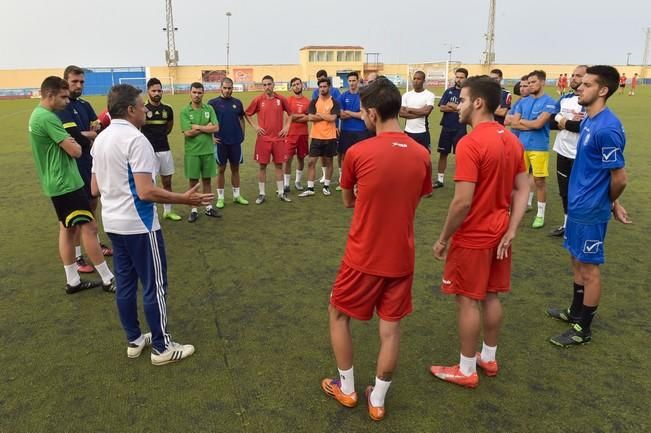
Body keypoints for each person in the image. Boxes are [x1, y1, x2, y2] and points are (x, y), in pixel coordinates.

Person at [321, 77, 432, 421]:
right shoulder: (422, 154)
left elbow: (347, 201)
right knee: (391, 329)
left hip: (364, 255)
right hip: (401, 256)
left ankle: (349, 389)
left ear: (370, 113)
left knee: (338, 314)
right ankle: (378, 400)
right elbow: (418, 196)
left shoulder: (358, 152)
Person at [92, 84, 214, 365]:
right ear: (131, 109)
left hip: (113, 223)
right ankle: (162, 347)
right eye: (141, 105)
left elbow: (95, 187)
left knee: (125, 284)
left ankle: (134, 340)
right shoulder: (137, 140)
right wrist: (183, 199)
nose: (146, 109)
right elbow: (146, 191)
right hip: (140, 225)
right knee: (154, 285)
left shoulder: (101, 139)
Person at [429, 75, 528, 388]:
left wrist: (443, 238)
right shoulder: (511, 138)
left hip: (474, 235)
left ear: (478, 103)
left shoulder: (470, 142)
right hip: (500, 232)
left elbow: (462, 202)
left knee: (467, 300)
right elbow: (523, 186)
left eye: (463, 98)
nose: (458, 105)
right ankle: (489, 356)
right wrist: (512, 228)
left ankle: (467, 368)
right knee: (490, 295)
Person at [547, 66, 631, 347]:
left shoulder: (607, 128)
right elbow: (600, 171)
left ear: (603, 90)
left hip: (590, 208)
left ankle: (583, 328)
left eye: (586, 85)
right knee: (576, 259)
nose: (578, 88)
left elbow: (619, 177)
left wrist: (609, 202)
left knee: (589, 268)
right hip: (577, 205)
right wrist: (614, 201)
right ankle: (575, 311)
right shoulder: (589, 121)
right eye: (579, 83)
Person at [29, 76, 115, 294]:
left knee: (67, 230)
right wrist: (76, 141)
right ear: (50, 95)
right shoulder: (47, 118)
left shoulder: (39, 115)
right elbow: (76, 151)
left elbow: (74, 141)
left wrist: (74, 138)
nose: (67, 101)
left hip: (57, 182)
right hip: (65, 182)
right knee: (90, 227)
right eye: (63, 96)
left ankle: (73, 281)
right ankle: (108, 278)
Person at [57, 65, 112, 274]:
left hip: (89, 163)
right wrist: (89, 133)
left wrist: (89, 132)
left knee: (92, 204)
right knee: (75, 216)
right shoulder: (61, 106)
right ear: (65, 82)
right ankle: (78, 256)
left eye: (81, 82)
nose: (79, 85)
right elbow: (77, 135)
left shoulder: (84, 104)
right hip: (72, 166)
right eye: (74, 82)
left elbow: (96, 126)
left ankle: (95, 244)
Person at [510, 70, 557, 228]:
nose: (530, 85)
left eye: (533, 82)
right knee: (518, 180)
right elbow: (513, 123)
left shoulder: (550, 102)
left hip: (539, 148)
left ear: (542, 82)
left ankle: (540, 214)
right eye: (528, 83)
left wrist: (523, 122)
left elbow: (539, 124)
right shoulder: (523, 102)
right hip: (521, 146)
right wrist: (529, 123)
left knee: (539, 181)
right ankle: (515, 209)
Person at [548, 65, 588, 237]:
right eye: (573, 75)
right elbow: (550, 123)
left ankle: (580, 227)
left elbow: (581, 127)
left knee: (581, 193)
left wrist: (562, 120)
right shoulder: (565, 98)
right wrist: (565, 120)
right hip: (562, 151)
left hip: (582, 155)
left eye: (578, 76)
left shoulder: (588, 101)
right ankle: (566, 225)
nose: (574, 78)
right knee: (564, 191)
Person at [245, 75, 292, 204]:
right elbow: (247, 113)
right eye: (264, 85)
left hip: (278, 139)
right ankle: (261, 194)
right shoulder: (258, 100)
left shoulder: (281, 99)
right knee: (262, 166)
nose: (267, 87)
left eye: (269, 84)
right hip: (263, 140)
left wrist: (287, 127)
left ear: (273, 84)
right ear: (262, 86)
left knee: (278, 165)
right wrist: (255, 126)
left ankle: (281, 193)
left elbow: (291, 113)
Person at [141, 77, 181, 221]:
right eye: (154, 91)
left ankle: (168, 211)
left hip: (164, 149)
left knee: (167, 181)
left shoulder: (167, 109)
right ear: (148, 92)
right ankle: (150, 214)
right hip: (148, 152)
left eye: (159, 90)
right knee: (149, 184)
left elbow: (168, 128)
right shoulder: (143, 109)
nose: (157, 93)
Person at [180, 82, 221, 222]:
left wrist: (197, 127)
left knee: (207, 180)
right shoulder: (185, 111)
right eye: (194, 92)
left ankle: (209, 207)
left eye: (199, 92)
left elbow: (216, 128)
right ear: (190, 93)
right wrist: (205, 127)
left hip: (208, 151)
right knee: (193, 182)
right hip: (192, 152)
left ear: (203, 93)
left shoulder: (209, 109)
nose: (197, 95)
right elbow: (188, 133)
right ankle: (194, 209)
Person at [207, 77, 249, 208]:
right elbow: (207, 122)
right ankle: (220, 198)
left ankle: (237, 196)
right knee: (221, 169)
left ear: (232, 88)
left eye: (229, 88)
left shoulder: (237, 102)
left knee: (235, 169)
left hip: (235, 141)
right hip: (220, 141)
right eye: (225, 88)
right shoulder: (212, 103)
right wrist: (211, 137)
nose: (227, 90)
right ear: (220, 88)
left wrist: (242, 134)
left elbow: (241, 119)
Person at [298, 77, 340, 197]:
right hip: (316, 136)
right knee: (311, 162)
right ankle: (310, 188)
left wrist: (320, 115)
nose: (322, 89)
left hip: (330, 136)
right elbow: (310, 117)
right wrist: (326, 116)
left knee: (329, 162)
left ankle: (326, 186)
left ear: (329, 87)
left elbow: (333, 118)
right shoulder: (314, 102)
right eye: (320, 87)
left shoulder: (335, 102)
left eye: (325, 86)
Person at [433, 68, 468, 189]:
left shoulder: (468, 93)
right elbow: (442, 107)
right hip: (447, 127)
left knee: (461, 155)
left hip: (460, 128)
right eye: (457, 77)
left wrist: (452, 105)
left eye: (461, 77)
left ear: (466, 78)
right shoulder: (448, 91)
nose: (458, 79)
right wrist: (458, 107)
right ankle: (440, 179)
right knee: (443, 153)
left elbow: (466, 110)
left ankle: (462, 179)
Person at [336, 72, 369, 191]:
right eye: (349, 81)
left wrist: (349, 112)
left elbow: (363, 115)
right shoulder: (343, 96)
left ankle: (360, 180)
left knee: (361, 157)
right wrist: (355, 114)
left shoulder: (363, 96)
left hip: (361, 131)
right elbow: (340, 114)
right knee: (345, 157)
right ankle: (345, 181)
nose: (351, 83)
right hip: (346, 131)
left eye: (354, 81)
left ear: (358, 81)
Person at [311, 70, 341, 184]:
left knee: (332, 154)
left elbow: (336, 112)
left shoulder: (335, 92)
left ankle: (339, 176)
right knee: (321, 155)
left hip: (332, 128)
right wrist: (325, 116)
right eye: (319, 80)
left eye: (322, 79)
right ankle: (324, 175)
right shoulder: (315, 93)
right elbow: (313, 113)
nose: (321, 84)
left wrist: (337, 125)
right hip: (318, 129)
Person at [283, 77, 310, 192]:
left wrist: (294, 116)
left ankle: (297, 181)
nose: (296, 86)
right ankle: (286, 184)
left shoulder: (308, 101)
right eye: (294, 85)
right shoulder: (288, 101)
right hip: (290, 134)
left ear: (301, 85)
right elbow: (288, 116)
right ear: (291, 87)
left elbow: (308, 117)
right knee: (288, 159)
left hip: (303, 134)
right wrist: (301, 116)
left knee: (301, 158)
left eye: (298, 84)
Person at [400, 71, 435, 151]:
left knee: (424, 156)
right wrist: (420, 112)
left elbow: (426, 112)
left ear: (423, 81)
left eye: (419, 79)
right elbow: (401, 113)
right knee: (408, 156)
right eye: (414, 78)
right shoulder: (406, 95)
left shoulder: (429, 95)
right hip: (408, 132)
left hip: (422, 132)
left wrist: (410, 109)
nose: (416, 81)